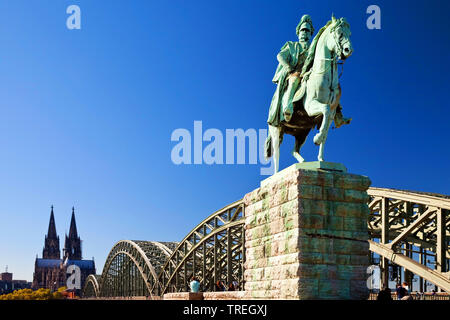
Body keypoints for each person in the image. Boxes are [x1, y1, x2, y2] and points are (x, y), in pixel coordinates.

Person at [267, 14, 315, 128]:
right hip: (293, 72)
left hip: (308, 74)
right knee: (294, 80)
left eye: (307, 30)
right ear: (298, 32)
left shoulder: (313, 50)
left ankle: (336, 112)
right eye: (303, 29)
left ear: (310, 33)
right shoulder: (292, 45)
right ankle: (287, 107)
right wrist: (288, 68)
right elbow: (280, 56)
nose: (305, 32)